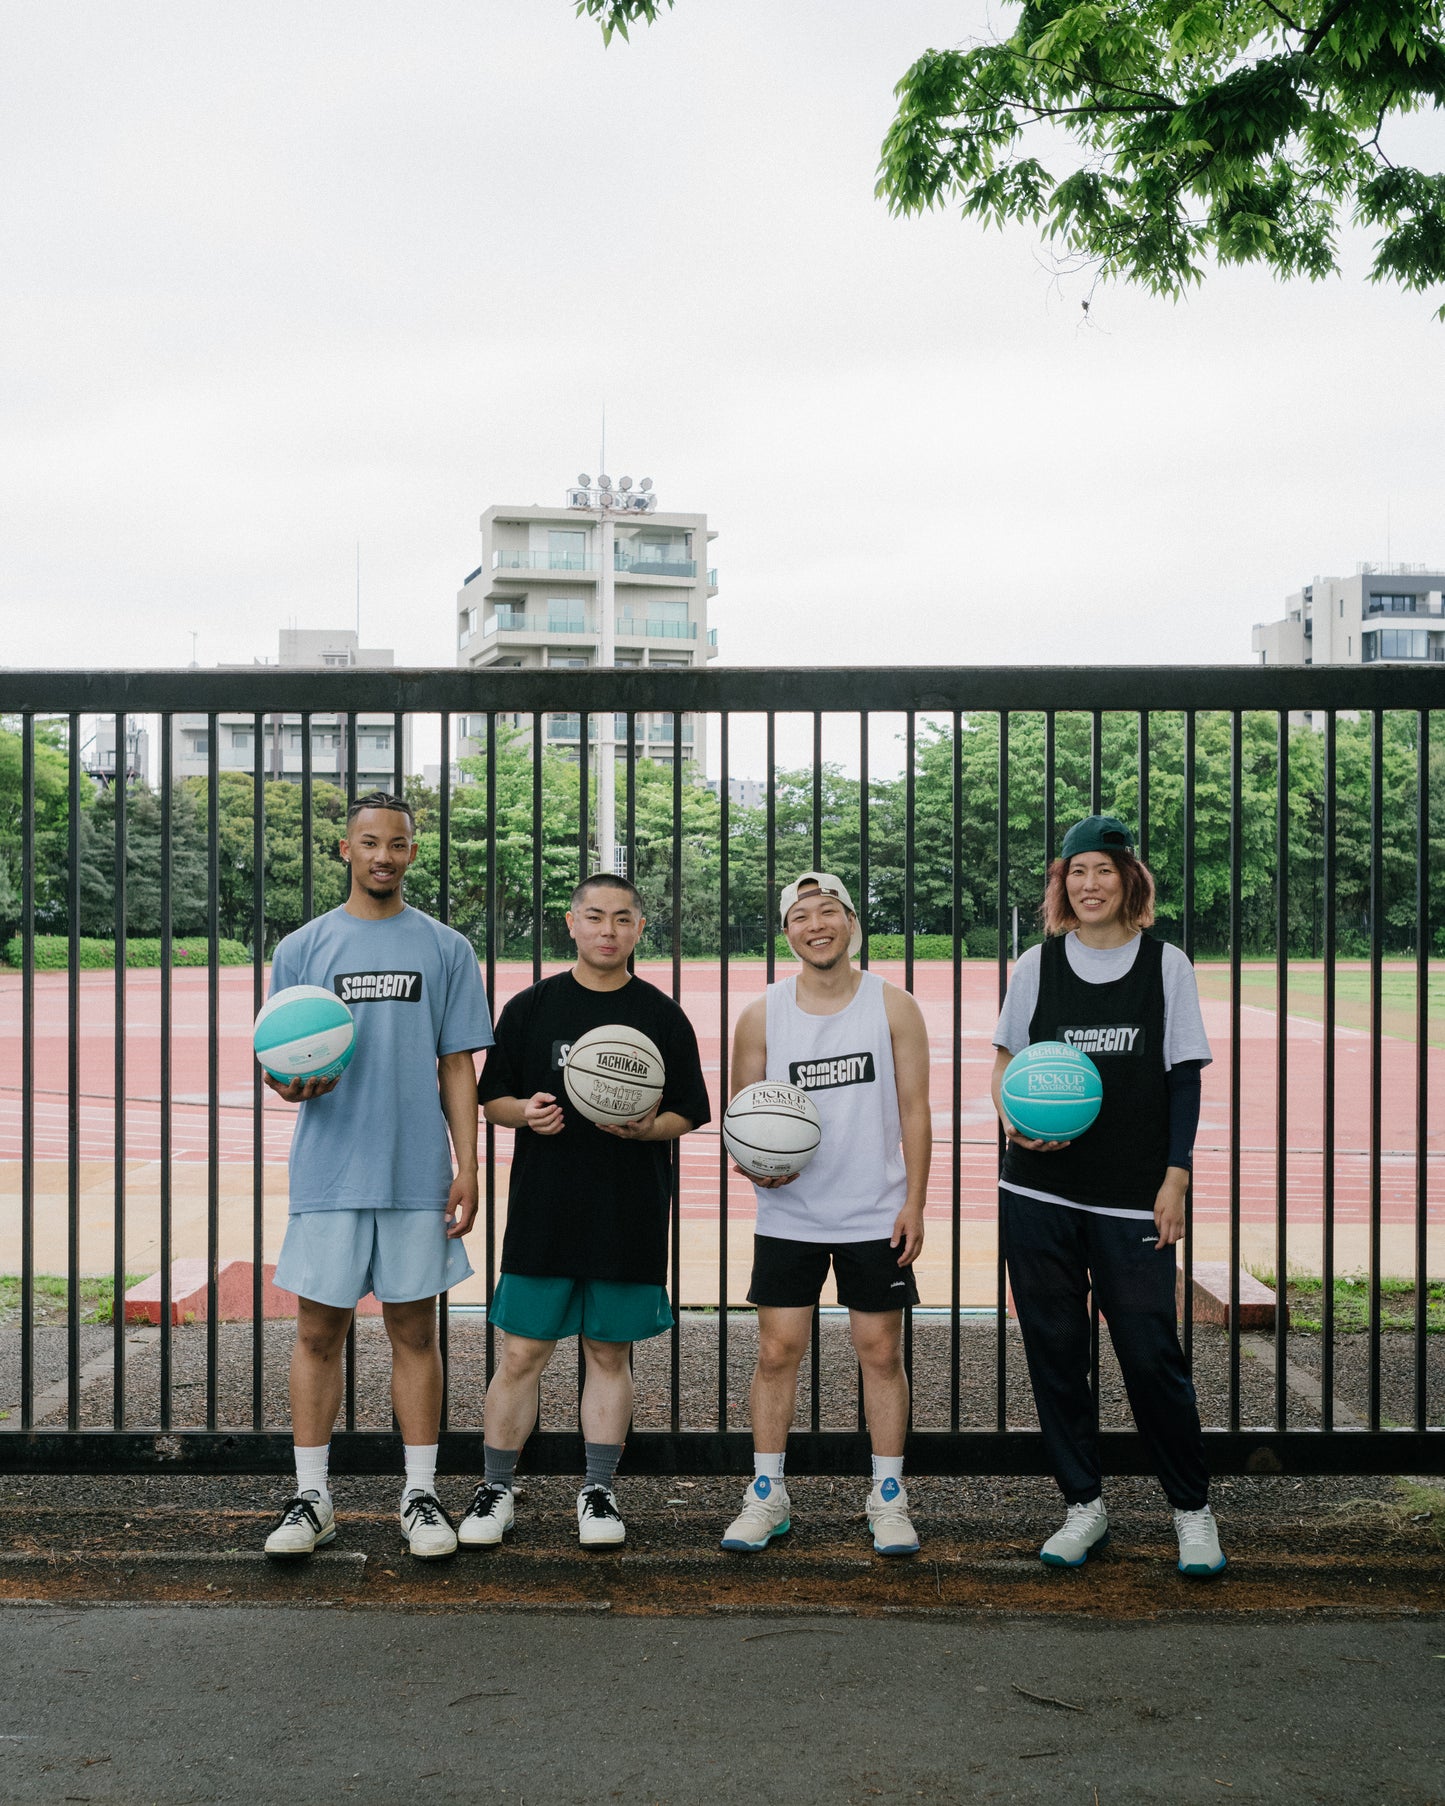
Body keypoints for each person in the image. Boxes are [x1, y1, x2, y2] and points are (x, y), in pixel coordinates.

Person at [991, 813, 1225, 1577]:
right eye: (1075, 872)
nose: (1088, 884)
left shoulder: (1165, 965)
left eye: (1103, 869)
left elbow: (1182, 1075)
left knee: (1150, 1356)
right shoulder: (1036, 963)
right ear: (1061, 884)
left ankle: (1190, 1511)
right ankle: (1082, 1505)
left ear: (1129, 879)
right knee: (1055, 1352)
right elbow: (1005, 1062)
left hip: (1130, 1194)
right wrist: (1012, 1122)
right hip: (1038, 1190)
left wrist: (1175, 1175)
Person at [262, 791, 493, 1561]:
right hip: (329, 1171)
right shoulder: (302, 948)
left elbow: (456, 1064)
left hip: (413, 1171)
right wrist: (287, 1083)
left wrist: (467, 1166)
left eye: (396, 843)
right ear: (345, 851)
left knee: (415, 1332)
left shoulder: (446, 948)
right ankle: (312, 1498)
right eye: (368, 842)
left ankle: (420, 1494)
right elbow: (280, 1057)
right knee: (317, 1332)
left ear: (411, 853)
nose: (383, 855)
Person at [459, 874, 710, 1549]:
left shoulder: (660, 1015)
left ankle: (597, 1491)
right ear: (570, 923)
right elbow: (494, 1099)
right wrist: (526, 1114)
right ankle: (495, 1489)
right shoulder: (532, 1006)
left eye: (622, 918)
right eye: (595, 917)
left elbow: (688, 1109)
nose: (608, 930)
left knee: (608, 1350)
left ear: (638, 929)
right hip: (546, 1206)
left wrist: (646, 1128)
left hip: (628, 1207)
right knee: (522, 1351)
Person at [721, 872, 932, 1557]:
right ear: (787, 933)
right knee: (777, 1351)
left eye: (829, 911)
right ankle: (765, 1494)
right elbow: (740, 1119)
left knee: (880, 1352)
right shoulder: (760, 1016)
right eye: (802, 916)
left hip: (873, 1211)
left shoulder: (892, 1006)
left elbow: (914, 1110)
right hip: (790, 1214)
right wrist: (754, 1163)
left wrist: (915, 1201)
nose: (817, 924)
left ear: (849, 922)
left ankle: (888, 1496)